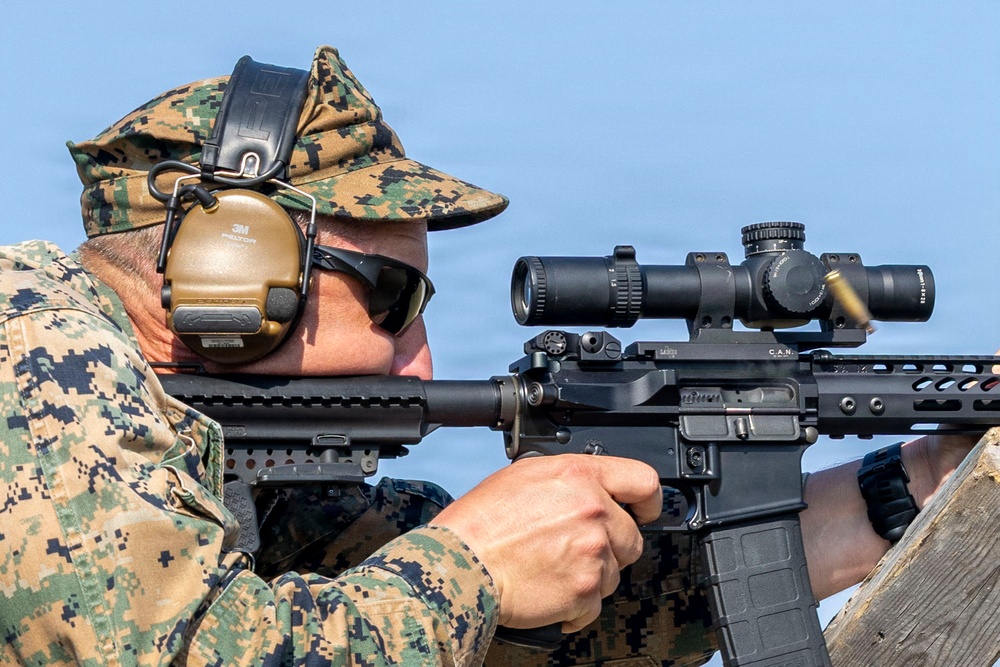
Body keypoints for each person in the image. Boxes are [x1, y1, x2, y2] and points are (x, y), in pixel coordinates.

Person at [0, 45, 978, 666]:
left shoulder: (213, 469)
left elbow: (566, 629)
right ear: (230, 266)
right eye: (391, 298)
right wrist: (469, 564)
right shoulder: (34, 338)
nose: (420, 364)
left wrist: (920, 481)